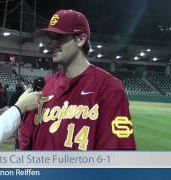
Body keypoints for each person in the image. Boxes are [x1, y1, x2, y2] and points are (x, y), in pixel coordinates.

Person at [19, 10, 136, 150]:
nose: (52, 44)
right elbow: (26, 139)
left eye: (59, 37)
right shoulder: (45, 86)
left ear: (81, 39)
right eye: (51, 38)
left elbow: (117, 154)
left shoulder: (109, 88)